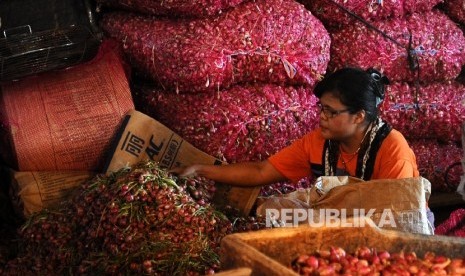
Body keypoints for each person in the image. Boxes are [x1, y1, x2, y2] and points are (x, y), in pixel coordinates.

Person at [172, 67, 420, 185]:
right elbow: (261, 172)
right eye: (321, 108)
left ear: (358, 116)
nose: (322, 117)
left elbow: (396, 217)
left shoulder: (392, 150)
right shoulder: (320, 143)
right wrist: (201, 170)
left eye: (331, 112)